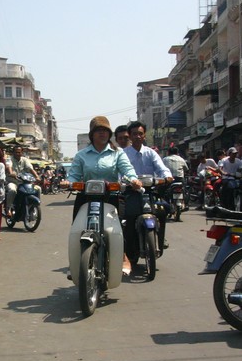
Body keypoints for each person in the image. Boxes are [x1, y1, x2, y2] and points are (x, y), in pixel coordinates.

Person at [64, 116, 141, 275]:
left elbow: (127, 170)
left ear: (109, 134)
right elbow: (74, 175)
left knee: (118, 228)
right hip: (86, 197)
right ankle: (79, 262)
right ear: (92, 134)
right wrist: (68, 182)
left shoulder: (117, 153)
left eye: (105, 131)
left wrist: (133, 180)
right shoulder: (81, 155)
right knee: (78, 229)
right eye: (98, 131)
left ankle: (122, 256)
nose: (102, 134)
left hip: (111, 197)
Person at [123, 121, 172, 252]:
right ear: (130, 136)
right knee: (129, 216)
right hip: (131, 193)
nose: (137, 136)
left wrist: (167, 176)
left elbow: (162, 168)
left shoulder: (151, 153)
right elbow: (119, 173)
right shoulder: (123, 154)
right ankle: (129, 247)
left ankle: (160, 237)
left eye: (140, 134)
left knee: (163, 210)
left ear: (144, 136)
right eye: (134, 134)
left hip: (150, 192)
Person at [5, 145, 40, 217]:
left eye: (19, 152)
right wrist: (11, 173)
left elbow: (30, 169)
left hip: (24, 182)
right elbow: (9, 166)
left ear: (22, 153)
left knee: (38, 189)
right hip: (13, 182)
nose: (18, 154)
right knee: (12, 190)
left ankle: (34, 206)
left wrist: (37, 177)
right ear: (13, 153)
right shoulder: (9, 159)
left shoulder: (25, 160)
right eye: (16, 152)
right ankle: (8, 209)